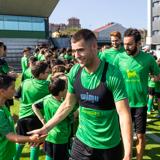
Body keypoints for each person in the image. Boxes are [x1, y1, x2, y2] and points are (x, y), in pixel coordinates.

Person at [28, 29, 132, 160]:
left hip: (108, 147)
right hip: (82, 142)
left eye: (81, 50)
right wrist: (46, 128)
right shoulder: (75, 71)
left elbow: (124, 114)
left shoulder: (113, 74)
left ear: (94, 47)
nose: (76, 55)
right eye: (74, 51)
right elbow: (67, 104)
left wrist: (128, 153)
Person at [113, 28, 160, 160]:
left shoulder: (148, 59)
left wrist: (153, 77)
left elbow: (157, 75)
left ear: (138, 43)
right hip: (122, 103)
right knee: (122, 135)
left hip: (140, 104)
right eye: (125, 44)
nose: (126, 47)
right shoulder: (119, 58)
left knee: (140, 136)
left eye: (130, 44)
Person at [0, 74, 45, 160]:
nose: (15, 91)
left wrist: (13, 120)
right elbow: (10, 136)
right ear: (2, 91)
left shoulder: (3, 106)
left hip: (7, 154)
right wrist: (31, 138)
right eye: (12, 88)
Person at [14, 61, 50, 160]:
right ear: (41, 74)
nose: (49, 73)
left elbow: (16, 96)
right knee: (35, 144)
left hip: (22, 117)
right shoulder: (48, 85)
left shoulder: (25, 82)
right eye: (47, 72)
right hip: (35, 118)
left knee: (20, 143)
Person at [32, 75, 71, 160]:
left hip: (49, 134)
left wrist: (42, 119)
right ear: (60, 92)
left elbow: (34, 105)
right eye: (66, 88)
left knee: (49, 155)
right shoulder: (62, 107)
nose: (68, 90)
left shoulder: (47, 98)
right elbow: (72, 117)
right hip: (60, 137)